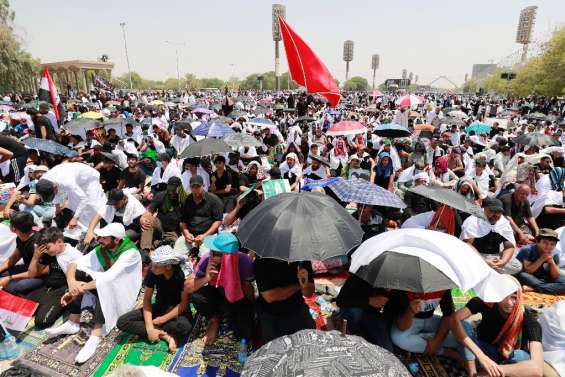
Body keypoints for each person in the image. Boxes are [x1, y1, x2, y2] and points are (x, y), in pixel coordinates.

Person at [45, 223, 142, 363]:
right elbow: (75, 264)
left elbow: (109, 278)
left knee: (104, 285)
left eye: (104, 238)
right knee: (80, 273)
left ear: (116, 240)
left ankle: (95, 336)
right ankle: (73, 322)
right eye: (99, 237)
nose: (99, 240)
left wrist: (79, 289)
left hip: (124, 290)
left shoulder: (130, 253)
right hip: (107, 281)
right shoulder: (103, 248)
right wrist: (72, 284)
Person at [451, 277, 544, 377]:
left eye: (513, 297)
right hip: (482, 350)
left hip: (506, 360)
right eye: (503, 296)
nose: (508, 303)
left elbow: (537, 369)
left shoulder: (528, 319)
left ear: (519, 297)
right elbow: (454, 319)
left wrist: (489, 371)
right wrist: (482, 357)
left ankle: (477, 368)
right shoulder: (486, 303)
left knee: (522, 357)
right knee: (463, 326)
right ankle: (472, 371)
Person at [117, 245, 193, 351]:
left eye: (156, 266)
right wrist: (149, 328)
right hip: (159, 306)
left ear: (168, 266)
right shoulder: (153, 271)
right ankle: (164, 335)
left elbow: (183, 305)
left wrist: (162, 320)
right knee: (122, 321)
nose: (152, 268)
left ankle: (159, 330)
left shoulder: (182, 274)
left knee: (184, 327)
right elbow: (147, 300)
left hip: (177, 310)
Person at [187, 233, 254, 345]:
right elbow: (187, 287)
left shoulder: (244, 261)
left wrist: (250, 308)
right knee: (197, 296)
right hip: (216, 294)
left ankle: (229, 314)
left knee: (244, 334)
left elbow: (247, 287)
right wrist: (207, 277)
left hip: (236, 297)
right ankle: (214, 319)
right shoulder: (207, 259)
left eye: (214, 253)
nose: (211, 254)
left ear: (227, 256)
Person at [26, 227, 82, 328]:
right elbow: (31, 274)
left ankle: (58, 307)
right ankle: (43, 305)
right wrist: (35, 257)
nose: (46, 251)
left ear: (59, 242)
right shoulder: (50, 253)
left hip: (62, 290)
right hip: (48, 287)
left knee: (42, 321)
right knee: (22, 309)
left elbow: (78, 281)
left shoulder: (74, 255)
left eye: (48, 247)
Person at [254, 257, 315, 343]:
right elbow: (269, 296)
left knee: (310, 346)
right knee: (276, 353)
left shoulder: (301, 258)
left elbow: (309, 293)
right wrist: (299, 285)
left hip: (298, 311)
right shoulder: (262, 261)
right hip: (272, 317)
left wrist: (304, 284)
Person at [389, 288, 460, 360]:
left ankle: (422, 339)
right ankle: (442, 351)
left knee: (461, 333)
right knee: (398, 338)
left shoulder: (442, 286)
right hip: (410, 320)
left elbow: (448, 316)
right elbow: (402, 327)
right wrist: (410, 311)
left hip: (430, 319)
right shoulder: (404, 289)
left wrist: (436, 341)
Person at [460, 198, 521, 275]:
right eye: (493, 211)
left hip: (494, 257)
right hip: (476, 255)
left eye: (499, 212)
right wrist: (484, 261)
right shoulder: (473, 220)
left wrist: (503, 261)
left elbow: (509, 246)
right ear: (484, 209)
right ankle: (486, 269)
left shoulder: (503, 223)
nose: (496, 215)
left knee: (517, 266)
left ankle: (487, 269)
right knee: (465, 262)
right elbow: (467, 245)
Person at [38, 162, 107, 229]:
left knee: (92, 205)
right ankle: (81, 226)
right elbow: (55, 194)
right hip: (72, 177)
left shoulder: (67, 182)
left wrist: (75, 218)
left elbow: (84, 199)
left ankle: (98, 227)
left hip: (88, 178)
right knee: (73, 205)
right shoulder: (43, 181)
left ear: (55, 186)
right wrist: (57, 208)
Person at [336, 274, 395, 351]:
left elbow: (390, 312)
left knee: (387, 349)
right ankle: (354, 333)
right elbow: (340, 301)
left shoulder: (391, 284)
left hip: (371, 314)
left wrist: (388, 293)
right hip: (352, 310)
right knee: (356, 312)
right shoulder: (359, 277)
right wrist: (369, 300)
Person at [176, 175, 223, 255]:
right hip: (190, 235)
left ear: (203, 186)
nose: (195, 189)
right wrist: (186, 233)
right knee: (177, 254)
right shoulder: (186, 201)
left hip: (208, 235)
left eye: (197, 186)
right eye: (192, 187)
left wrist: (204, 236)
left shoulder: (214, 200)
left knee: (205, 256)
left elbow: (218, 221)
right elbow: (182, 221)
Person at [0, 212, 43, 294]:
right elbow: (15, 257)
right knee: (2, 274)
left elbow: (43, 271)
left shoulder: (37, 244)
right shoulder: (20, 238)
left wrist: (10, 278)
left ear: (14, 228)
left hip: (39, 275)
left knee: (19, 286)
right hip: (28, 269)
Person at [140, 176, 184, 252]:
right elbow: (149, 211)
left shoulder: (184, 200)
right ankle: (145, 250)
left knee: (172, 246)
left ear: (179, 188)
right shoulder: (160, 195)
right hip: (160, 226)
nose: (171, 192)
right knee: (148, 220)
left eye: (173, 190)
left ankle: (157, 243)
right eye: (170, 190)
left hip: (173, 231)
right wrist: (142, 218)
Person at [516, 228, 565, 294]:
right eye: (545, 243)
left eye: (552, 244)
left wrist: (551, 261)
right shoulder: (528, 250)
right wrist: (542, 259)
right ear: (537, 241)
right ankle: (549, 287)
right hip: (528, 275)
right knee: (524, 275)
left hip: (542, 277)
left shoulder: (554, 253)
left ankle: (534, 289)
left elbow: (555, 276)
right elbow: (528, 270)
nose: (548, 246)